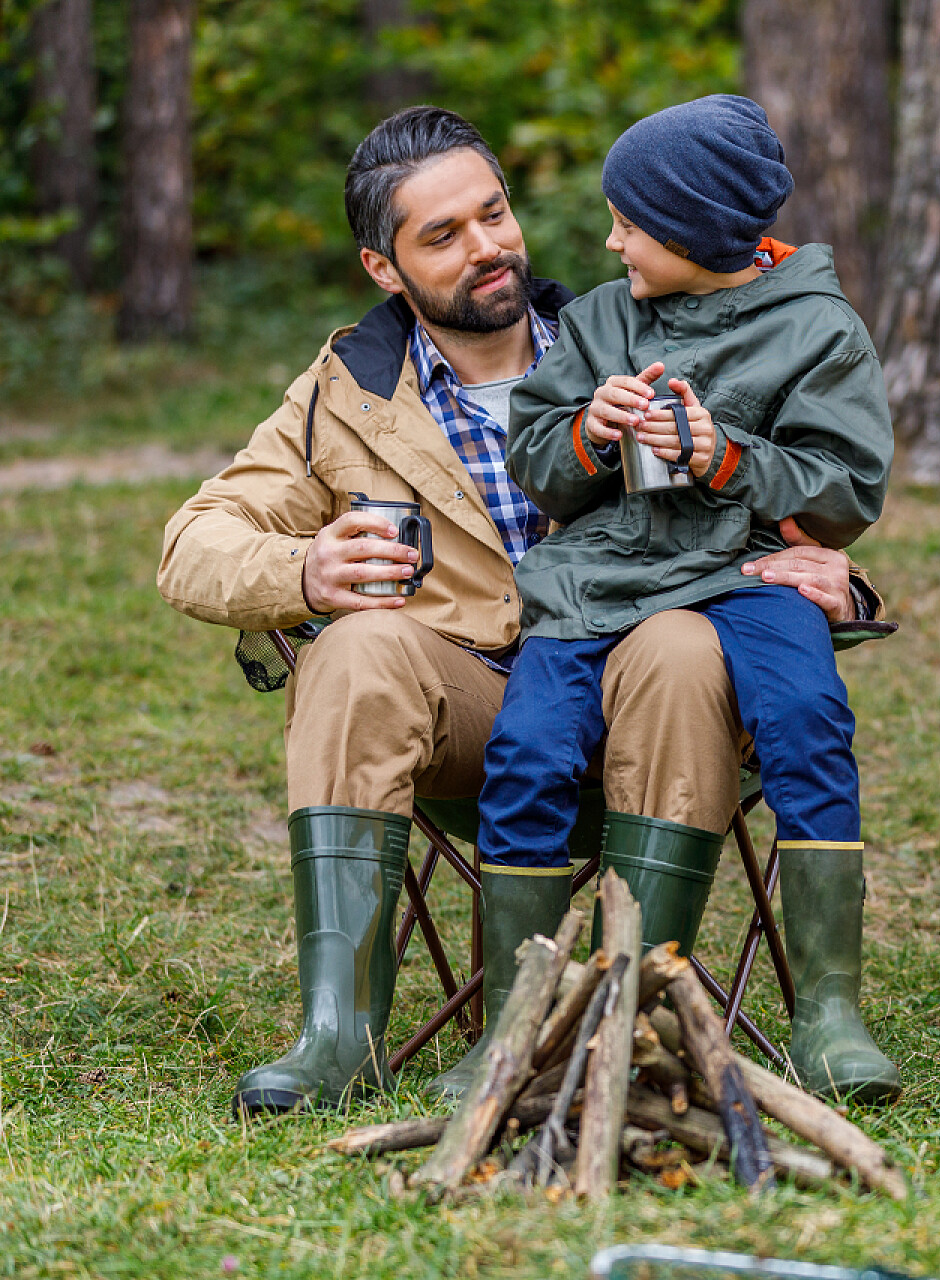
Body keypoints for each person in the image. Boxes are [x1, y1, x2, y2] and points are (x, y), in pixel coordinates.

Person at [155, 106, 878, 1114]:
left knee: (675, 640)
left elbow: (809, 462)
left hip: (657, 708)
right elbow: (193, 542)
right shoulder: (346, 394)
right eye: (442, 235)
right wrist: (303, 566)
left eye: (493, 213)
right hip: (473, 720)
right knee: (359, 648)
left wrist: (832, 565)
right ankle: (339, 1036)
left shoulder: (635, 324)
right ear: (383, 267)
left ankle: (623, 1018)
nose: (488, 246)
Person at [489, 95, 900, 1103]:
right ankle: (515, 1023)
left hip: (749, 575)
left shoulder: (817, 330)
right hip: (600, 582)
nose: (610, 238)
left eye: (631, 222)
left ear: (700, 231)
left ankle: (828, 1012)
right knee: (527, 747)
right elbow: (536, 461)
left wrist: (730, 456)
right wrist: (589, 426)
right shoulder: (597, 321)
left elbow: (849, 489)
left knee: (809, 719)